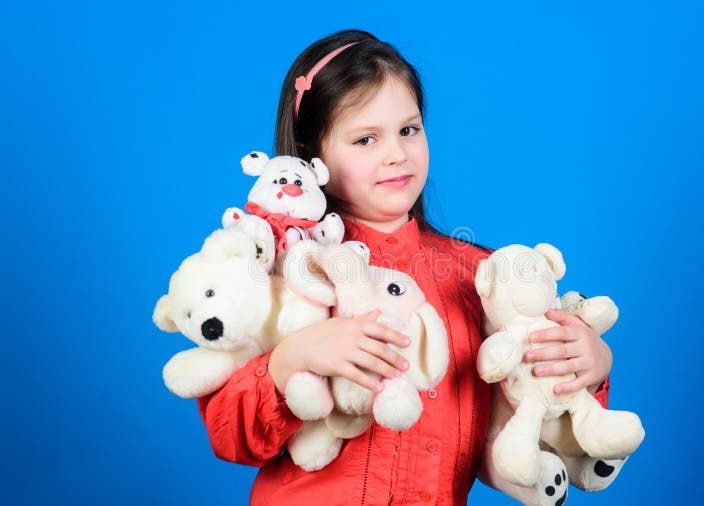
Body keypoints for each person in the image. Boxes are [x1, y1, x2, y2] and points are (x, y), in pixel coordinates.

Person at [197, 29, 613, 505]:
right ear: (314, 158)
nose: (396, 153)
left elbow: (536, 413)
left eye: (408, 130)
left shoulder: (480, 278)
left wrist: (591, 366)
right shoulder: (280, 272)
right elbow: (229, 434)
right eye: (365, 139)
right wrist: (293, 357)